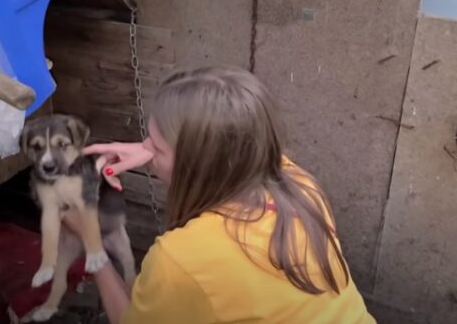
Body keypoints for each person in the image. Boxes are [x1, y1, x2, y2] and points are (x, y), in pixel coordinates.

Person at [66, 66, 375, 323]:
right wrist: (149, 150)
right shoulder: (298, 183)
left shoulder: (181, 259)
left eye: (156, 147)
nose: (146, 148)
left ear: (196, 165)